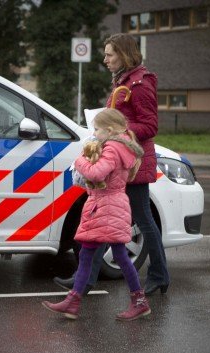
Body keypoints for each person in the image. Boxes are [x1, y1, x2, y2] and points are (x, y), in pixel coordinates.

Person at [54, 33, 169, 296]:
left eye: (109, 54)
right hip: (119, 160)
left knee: (143, 219)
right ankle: (85, 279)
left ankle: (159, 275)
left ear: (124, 55)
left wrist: (116, 132)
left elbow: (150, 126)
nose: (105, 59)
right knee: (103, 219)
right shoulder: (123, 81)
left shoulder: (139, 84)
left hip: (133, 163)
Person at [43, 108, 150, 321]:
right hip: (109, 205)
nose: (94, 133)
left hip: (106, 206)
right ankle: (74, 302)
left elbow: (96, 173)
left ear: (109, 130)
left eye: (97, 129)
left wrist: (80, 160)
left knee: (112, 255)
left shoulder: (112, 148)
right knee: (92, 254)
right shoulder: (122, 146)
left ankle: (138, 302)